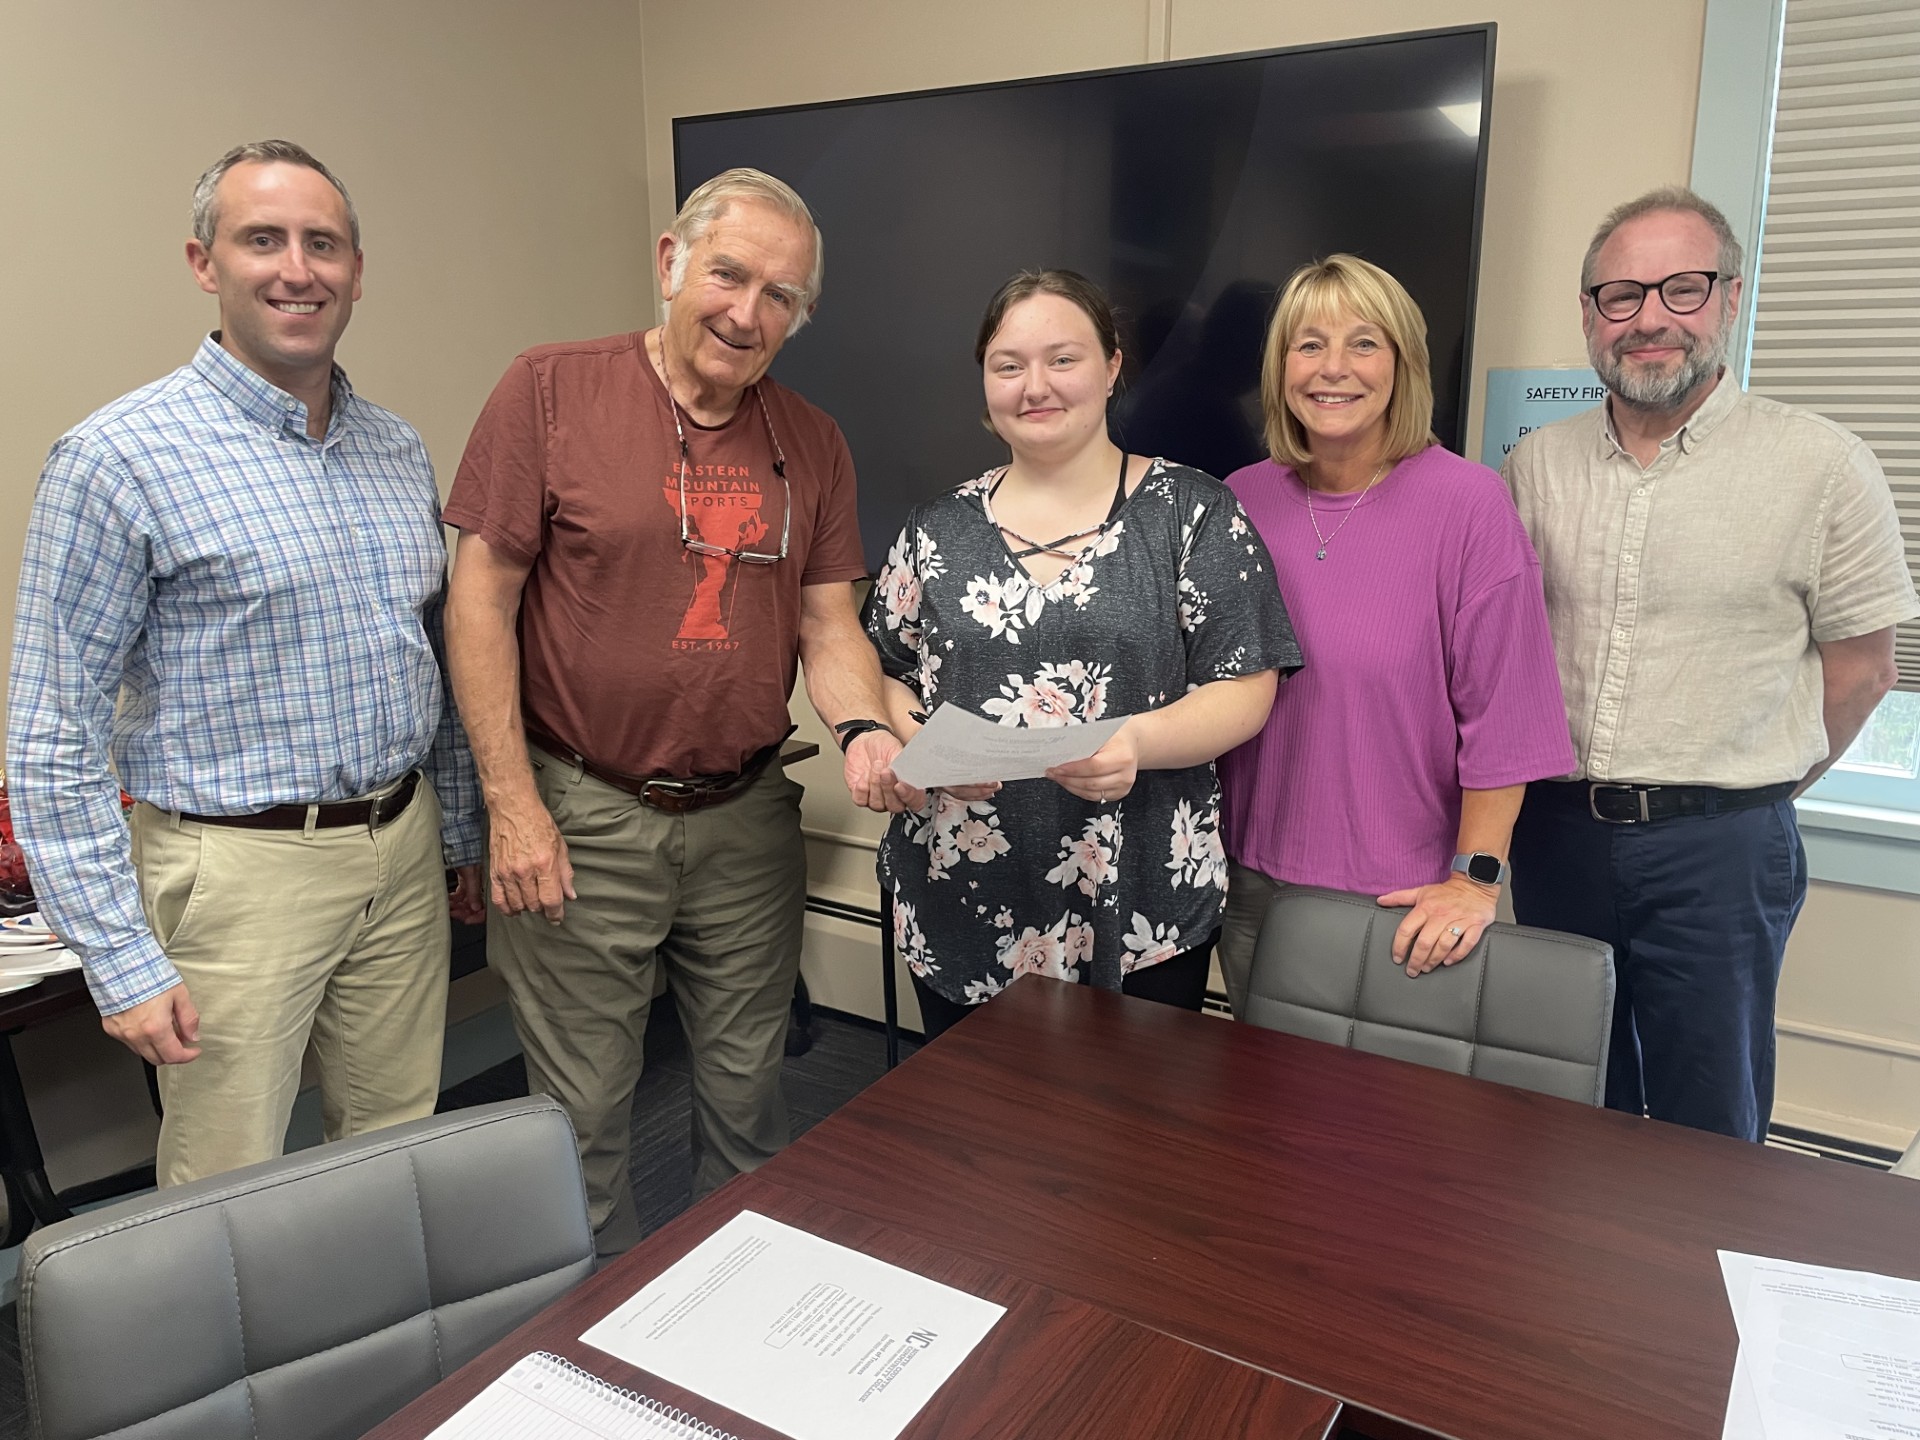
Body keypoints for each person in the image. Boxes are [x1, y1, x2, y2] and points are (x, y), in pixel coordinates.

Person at [444, 168, 907, 1256]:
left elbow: (830, 624)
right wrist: (510, 805)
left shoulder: (815, 440)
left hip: (746, 815)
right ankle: (587, 1344)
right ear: (669, 263)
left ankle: (736, 1316)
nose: (748, 314)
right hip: (582, 810)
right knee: (587, 1110)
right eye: (729, 275)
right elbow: (479, 601)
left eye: (781, 296)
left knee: (751, 1098)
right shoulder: (550, 390)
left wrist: (869, 729)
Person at [5, 140, 483, 1188]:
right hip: (234, 872)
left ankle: (384, 1351)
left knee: (394, 1153)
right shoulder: (118, 458)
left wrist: (455, 826)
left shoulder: (395, 447)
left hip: (397, 853)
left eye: (323, 244)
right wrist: (119, 959)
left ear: (357, 268)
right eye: (261, 240)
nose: (296, 269)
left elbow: (428, 656)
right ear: (203, 262)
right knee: (228, 1185)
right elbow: (52, 732)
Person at [1504, 187, 1918, 1142]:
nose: (1650, 318)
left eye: (1681, 289)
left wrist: (1749, 788)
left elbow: (1863, 674)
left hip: (1720, 848)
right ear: (1589, 315)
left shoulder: (1823, 465)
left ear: (1730, 298)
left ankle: (1698, 1292)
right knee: (1564, 1101)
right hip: (1558, 834)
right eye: (1621, 294)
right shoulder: (1537, 466)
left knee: (1708, 1121)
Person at [864, 269, 1297, 1040]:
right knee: (973, 1144)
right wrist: (924, 745)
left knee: (1135, 1143)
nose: (1036, 386)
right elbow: (885, 671)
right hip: (961, 891)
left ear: (1112, 365)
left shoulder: (1194, 514)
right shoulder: (934, 531)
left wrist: (1134, 741)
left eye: (1063, 359)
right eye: (1009, 365)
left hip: (1142, 898)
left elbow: (1246, 683)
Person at [1215, 255, 1574, 1014]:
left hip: (1403, 901)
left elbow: (1507, 719)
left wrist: (1475, 881)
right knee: (1255, 1118)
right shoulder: (1240, 500)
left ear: (1404, 363)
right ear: (1280, 367)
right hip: (1248, 887)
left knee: (1381, 1128)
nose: (1333, 368)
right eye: (1307, 345)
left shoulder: (1469, 505)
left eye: (1364, 342)